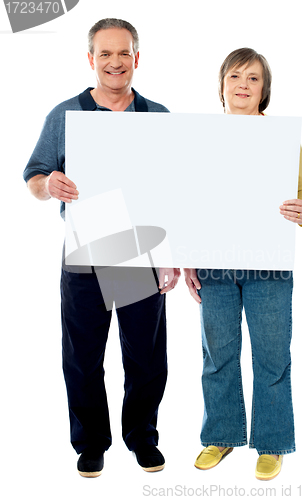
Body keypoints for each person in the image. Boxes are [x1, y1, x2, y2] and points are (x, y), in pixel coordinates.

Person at [23, 18, 180, 477]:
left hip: (139, 252)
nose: (116, 62)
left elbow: (174, 192)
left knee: (146, 356)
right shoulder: (65, 116)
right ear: (91, 59)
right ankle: (91, 443)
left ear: (137, 58)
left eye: (124, 53)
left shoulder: (157, 118)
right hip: (85, 251)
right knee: (83, 355)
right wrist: (48, 184)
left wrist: (170, 252)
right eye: (105, 54)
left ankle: (142, 438)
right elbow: (34, 176)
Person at [184, 48, 302, 481]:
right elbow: (187, 201)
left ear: (265, 89)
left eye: (254, 78)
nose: (244, 84)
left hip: (269, 264)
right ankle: (221, 436)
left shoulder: (280, 138)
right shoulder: (201, 137)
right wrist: (187, 257)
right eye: (236, 75)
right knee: (217, 355)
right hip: (215, 265)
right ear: (221, 85)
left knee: (272, 356)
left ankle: (273, 443)